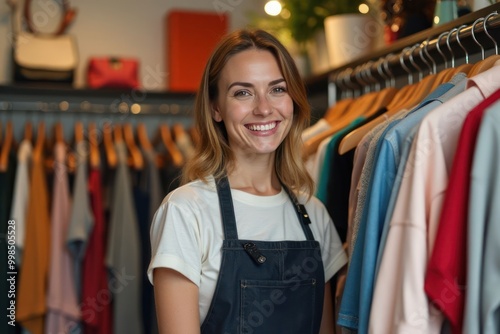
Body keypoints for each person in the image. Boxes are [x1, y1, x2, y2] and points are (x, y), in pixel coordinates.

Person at [148, 28, 348, 334]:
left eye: (277, 89)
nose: (264, 108)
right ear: (216, 108)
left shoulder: (314, 215)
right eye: (243, 92)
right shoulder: (186, 212)